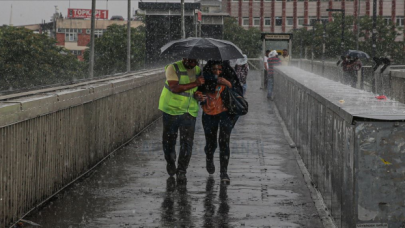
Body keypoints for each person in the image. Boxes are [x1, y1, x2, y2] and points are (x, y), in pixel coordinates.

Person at [158, 58, 206, 182]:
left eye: (195, 61)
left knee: (187, 143)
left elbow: (196, 91)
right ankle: (170, 161)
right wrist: (196, 83)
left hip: (189, 111)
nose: (193, 64)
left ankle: (182, 170)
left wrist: (198, 95)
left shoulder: (197, 70)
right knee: (169, 141)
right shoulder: (172, 68)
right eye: (190, 61)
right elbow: (174, 88)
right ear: (185, 58)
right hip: (172, 110)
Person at [198, 60, 243, 184]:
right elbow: (198, 91)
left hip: (226, 113)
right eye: (214, 69)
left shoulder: (230, 76)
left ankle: (224, 173)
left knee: (224, 141)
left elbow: (239, 92)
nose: (217, 72)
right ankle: (209, 155)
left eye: (219, 69)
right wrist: (201, 93)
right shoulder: (204, 77)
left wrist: (228, 84)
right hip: (209, 113)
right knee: (211, 142)